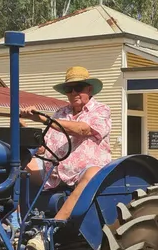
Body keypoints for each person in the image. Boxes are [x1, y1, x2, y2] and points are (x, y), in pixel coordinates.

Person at [19, 65, 112, 222]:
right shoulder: (61, 113)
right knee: (19, 168)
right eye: (70, 89)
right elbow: (45, 147)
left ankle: (53, 228)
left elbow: (82, 130)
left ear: (89, 89)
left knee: (93, 174)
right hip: (55, 169)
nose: (74, 92)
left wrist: (44, 119)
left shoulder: (101, 110)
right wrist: (26, 131)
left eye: (79, 87)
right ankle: (15, 222)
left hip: (84, 170)